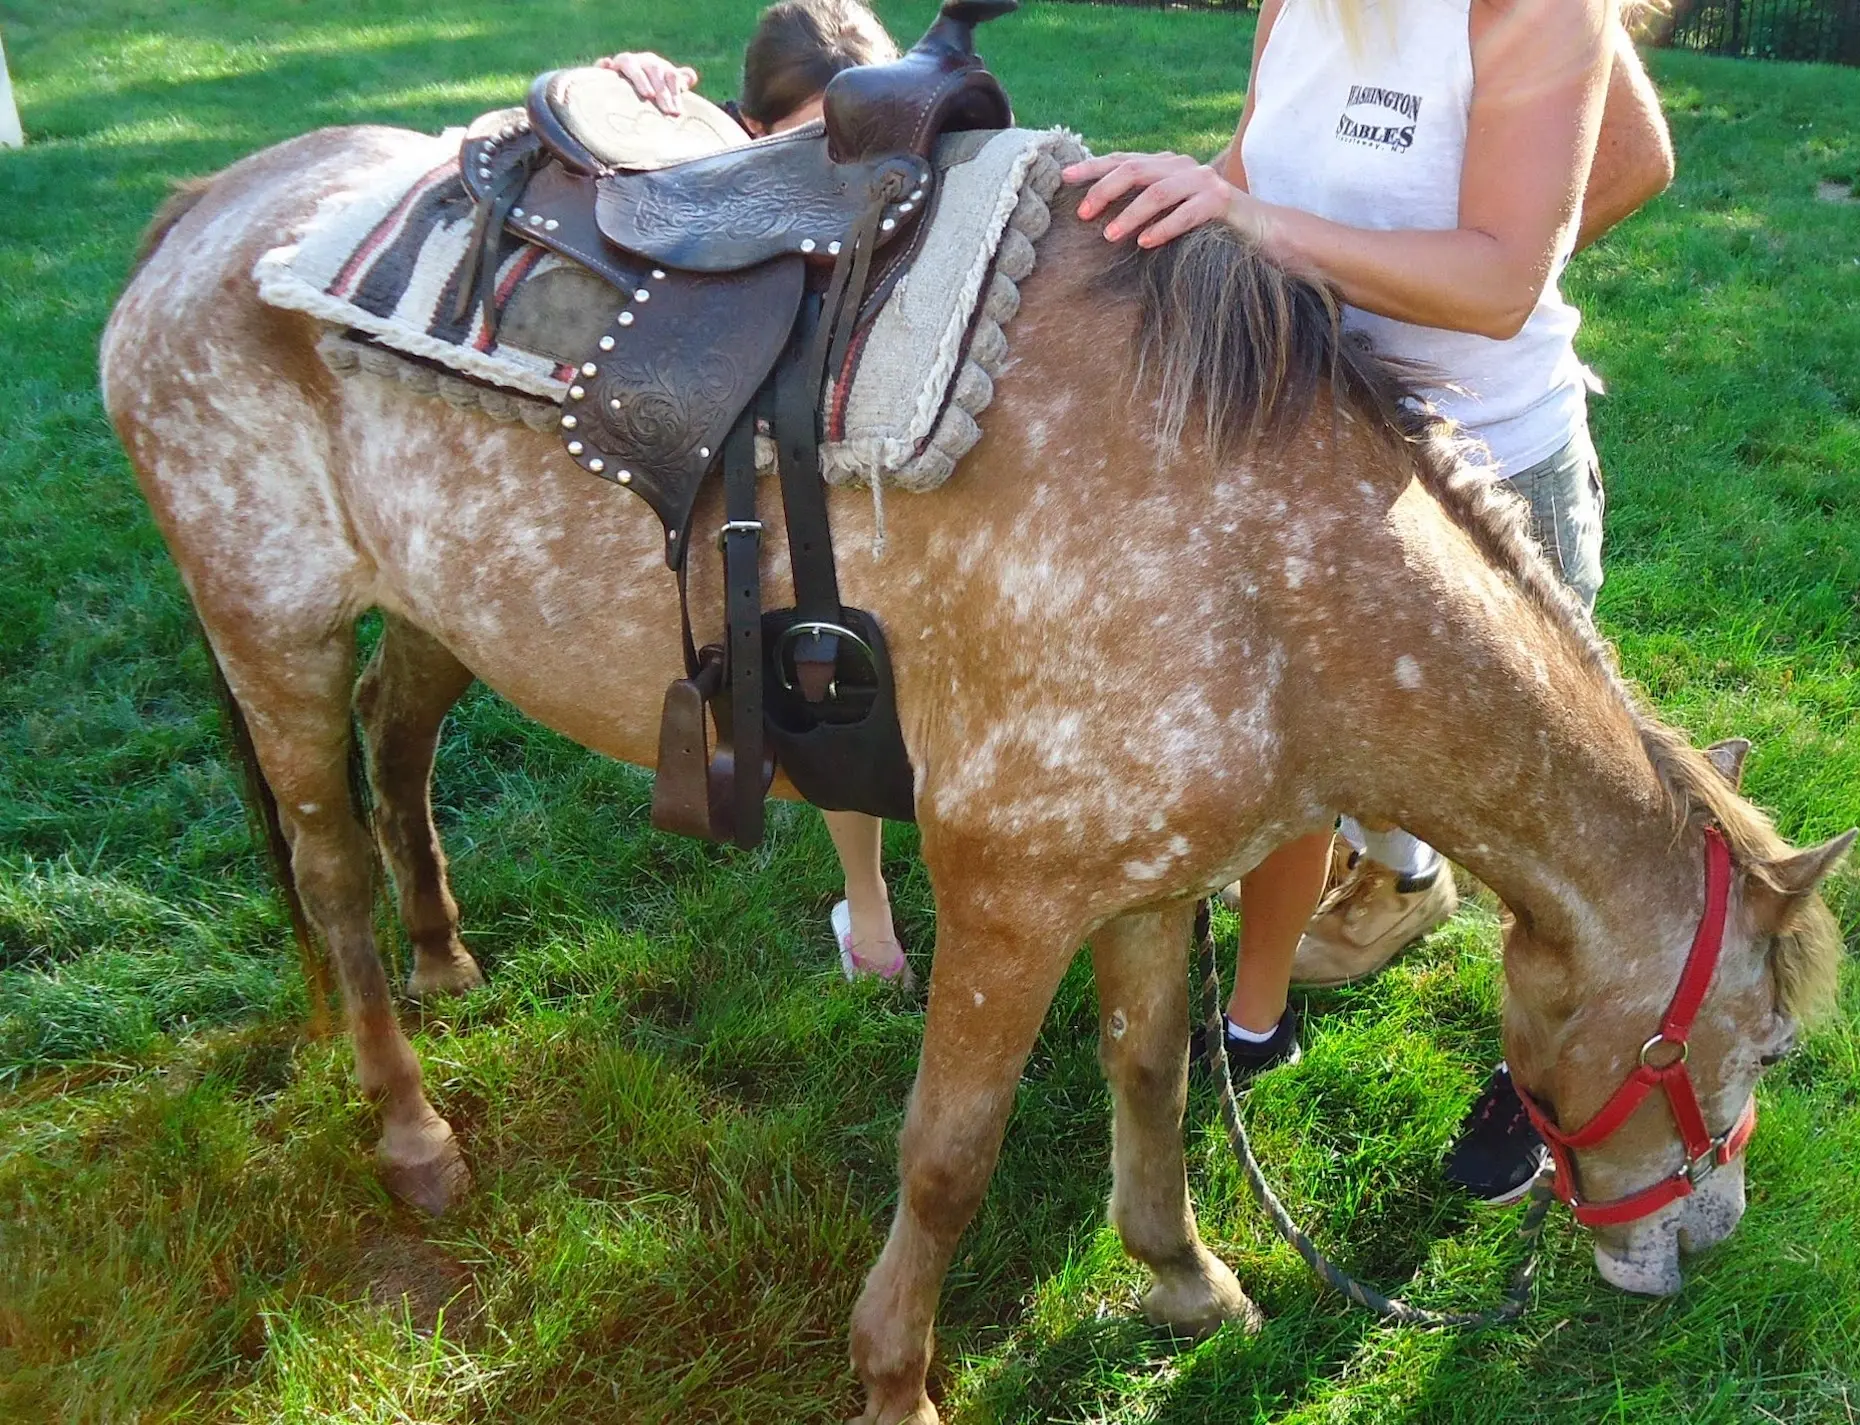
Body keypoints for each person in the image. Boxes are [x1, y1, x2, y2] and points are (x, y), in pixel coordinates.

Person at [1064, 0, 1674, 1203]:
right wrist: (1197, 188)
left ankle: (1547, 1068)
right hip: (1325, 446)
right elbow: (1258, 161)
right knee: (1289, 750)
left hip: (1490, 471)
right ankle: (1284, 985)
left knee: (1549, 838)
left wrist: (1299, 234)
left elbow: (1505, 280)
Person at [597, 0, 915, 990]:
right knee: (824, 646)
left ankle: (873, 909)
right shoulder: (722, 162)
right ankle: (868, 911)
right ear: (755, 133)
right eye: (807, 145)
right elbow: (588, 140)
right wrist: (627, 83)